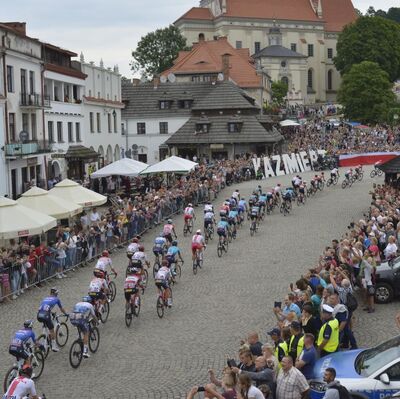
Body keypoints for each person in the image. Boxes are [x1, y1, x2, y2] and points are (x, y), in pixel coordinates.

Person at [36, 287, 68, 352]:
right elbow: (61, 309)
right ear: (56, 293)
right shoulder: (56, 299)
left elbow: (44, 308)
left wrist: (51, 312)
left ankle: (44, 335)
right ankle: (53, 346)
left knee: (46, 323)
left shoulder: (45, 298)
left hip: (39, 315)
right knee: (52, 330)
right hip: (46, 315)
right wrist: (66, 314)